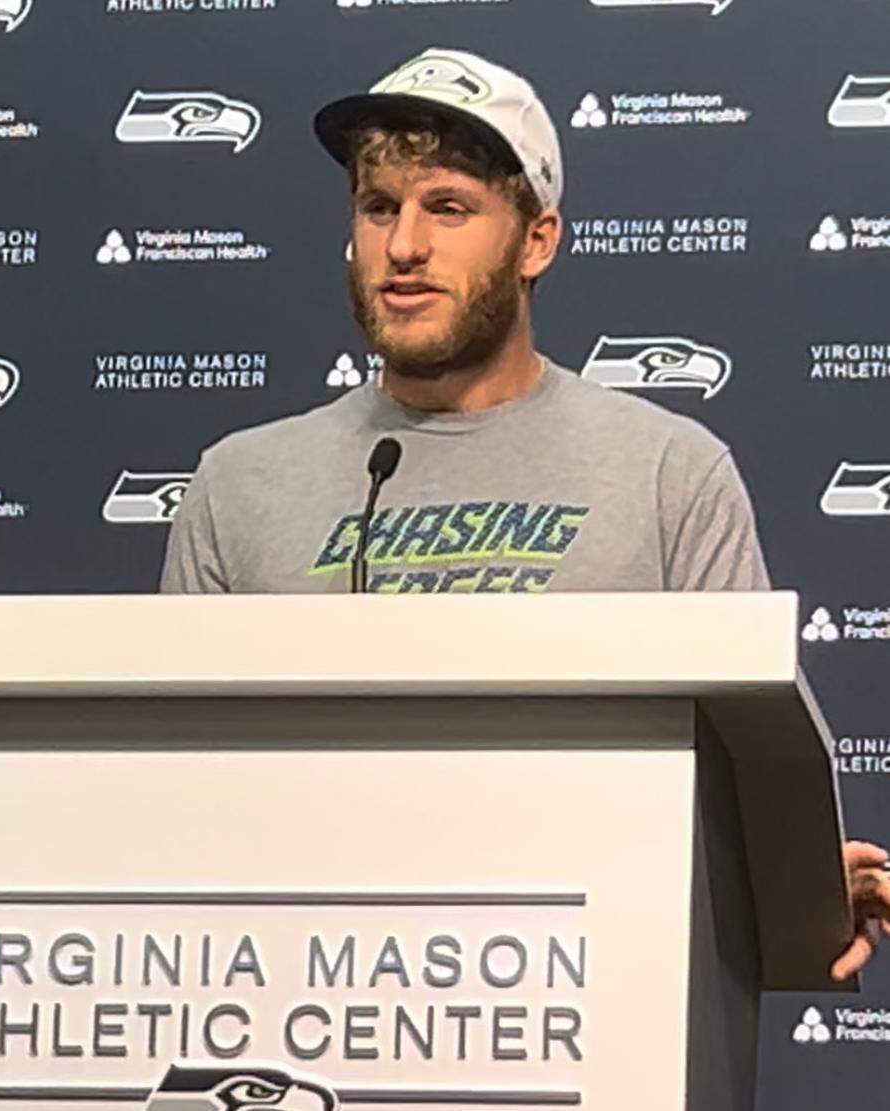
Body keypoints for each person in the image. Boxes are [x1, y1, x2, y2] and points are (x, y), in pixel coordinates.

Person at [159, 46, 890, 977]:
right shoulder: (238, 486)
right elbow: (175, 807)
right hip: (304, 996)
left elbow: (747, 787)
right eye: (379, 207)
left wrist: (792, 886)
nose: (405, 246)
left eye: (448, 207)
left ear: (536, 240)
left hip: (585, 999)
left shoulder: (670, 473)